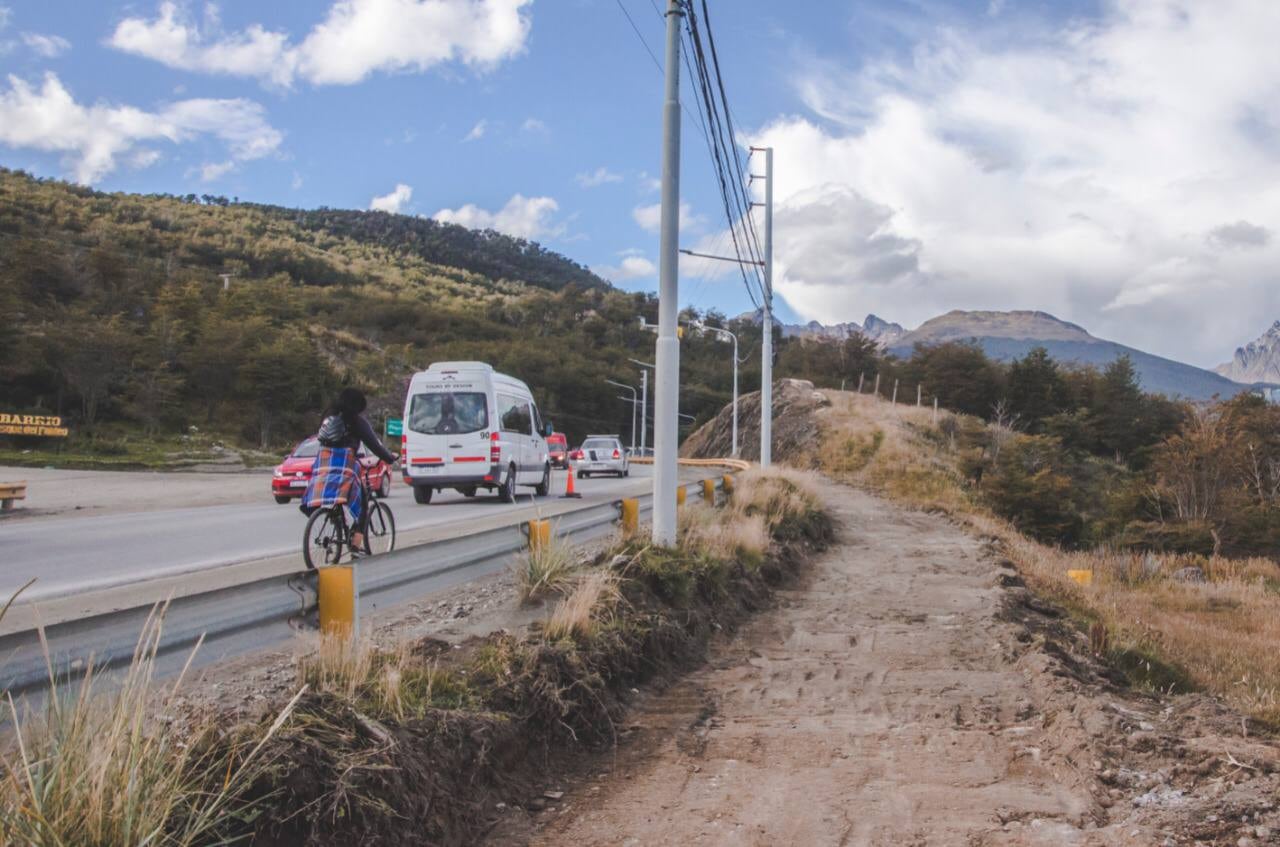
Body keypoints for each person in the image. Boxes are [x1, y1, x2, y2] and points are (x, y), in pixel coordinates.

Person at [302, 388, 398, 554]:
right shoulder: (356, 422)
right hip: (345, 466)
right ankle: (355, 545)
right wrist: (390, 458)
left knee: (330, 495)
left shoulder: (328, 416)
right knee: (361, 505)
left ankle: (335, 520)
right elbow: (374, 445)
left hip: (323, 465)